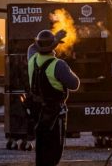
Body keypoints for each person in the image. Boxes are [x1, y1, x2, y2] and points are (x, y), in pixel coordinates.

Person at [27, 29, 80, 166]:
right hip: (54, 115)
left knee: (41, 151)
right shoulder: (59, 65)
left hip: (37, 113)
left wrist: (53, 40)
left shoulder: (32, 59)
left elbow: (32, 48)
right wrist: (55, 40)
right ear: (54, 47)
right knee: (54, 153)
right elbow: (75, 84)